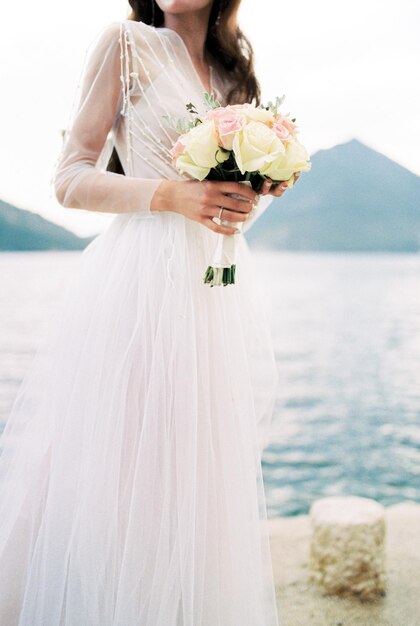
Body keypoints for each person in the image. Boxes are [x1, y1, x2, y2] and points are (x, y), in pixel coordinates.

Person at [0, 1, 300, 624]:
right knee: (118, 467)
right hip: (137, 285)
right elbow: (69, 178)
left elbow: (225, 195)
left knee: (195, 472)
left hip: (211, 291)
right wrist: (170, 194)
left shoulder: (233, 73)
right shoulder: (126, 43)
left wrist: (255, 187)